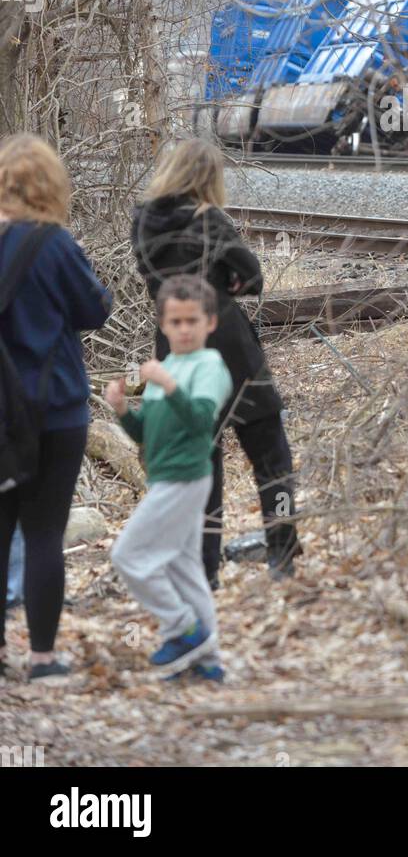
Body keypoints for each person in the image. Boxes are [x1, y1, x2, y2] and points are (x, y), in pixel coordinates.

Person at [130, 139, 301, 586]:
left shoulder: (142, 223)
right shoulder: (211, 220)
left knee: (200, 458)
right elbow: (254, 278)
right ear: (209, 178)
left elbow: (158, 279)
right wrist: (225, 281)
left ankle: (205, 567)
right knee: (270, 454)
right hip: (229, 346)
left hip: (174, 349)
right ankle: (282, 552)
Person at [0, 134, 112, 682]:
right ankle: (42, 659)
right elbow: (95, 311)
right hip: (58, 410)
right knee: (44, 533)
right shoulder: (55, 244)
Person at [106, 276, 230, 682]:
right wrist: (123, 410)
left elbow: (198, 423)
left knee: (127, 555)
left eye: (192, 320)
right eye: (175, 322)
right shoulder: (170, 366)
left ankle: (183, 628)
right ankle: (208, 660)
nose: (184, 329)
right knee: (184, 568)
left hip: (186, 476)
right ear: (162, 324)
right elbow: (146, 434)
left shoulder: (209, 366)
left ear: (210, 322)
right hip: (165, 477)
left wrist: (168, 385)